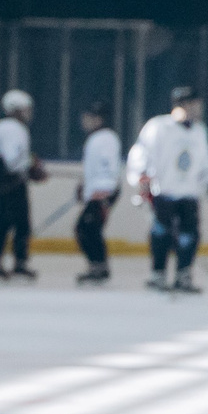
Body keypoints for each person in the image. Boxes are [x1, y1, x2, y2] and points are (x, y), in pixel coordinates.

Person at [126, 83, 208, 293]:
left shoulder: (199, 131)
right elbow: (140, 153)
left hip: (189, 195)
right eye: (193, 104)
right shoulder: (158, 127)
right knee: (161, 235)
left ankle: (184, 274)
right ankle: (158, 274)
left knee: (189, 235)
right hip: (164, 193)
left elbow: (204, 163)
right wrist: (141, 177)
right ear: (181, 104)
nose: (197, 109)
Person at [0, 87, 44, 280]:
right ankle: (18, 264)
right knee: (20, 224)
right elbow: (13, 160)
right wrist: (31, 166)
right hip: (13, 182)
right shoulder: (15, 129)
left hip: (2, 180)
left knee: (2, 223)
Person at [74, 102, 120, 285]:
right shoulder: (97, 138)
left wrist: (103, 192)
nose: (84, 121)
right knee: (89, 229)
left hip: (103, 192)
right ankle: (98, 265)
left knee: (87, 228)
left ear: (98, 118)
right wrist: (85, 187)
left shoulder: (105, 138)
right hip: (97, 191)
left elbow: (108, 167)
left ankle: (99, 266)